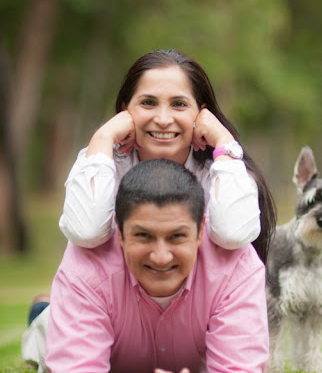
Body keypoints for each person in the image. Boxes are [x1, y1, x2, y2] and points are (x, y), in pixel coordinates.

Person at [43, 159, 269, 373]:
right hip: (61, 328)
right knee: (42, 341)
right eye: (143, 236)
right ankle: (42, 313)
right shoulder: (85, 266)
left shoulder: (237, 268)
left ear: (201, 231)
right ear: (120, 232)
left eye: (176, 237)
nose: (161, 257)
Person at [59, 49, 276, 264]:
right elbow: (85, 233)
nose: (163, 119)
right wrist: (103, 136)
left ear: (202, 113)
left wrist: (224, 141)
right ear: (125, 110)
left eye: (179, 104)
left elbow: (233, 234)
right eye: (148, 103)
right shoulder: (101, 159)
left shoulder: (223, 169)